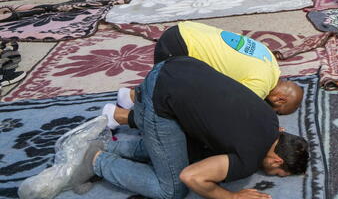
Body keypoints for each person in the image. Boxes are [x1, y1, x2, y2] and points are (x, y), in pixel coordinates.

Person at [34, 56, 310, 199]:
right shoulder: (249, 159)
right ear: (276, 159)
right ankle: (96, 161)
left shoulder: (271, 120)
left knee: (192, 152)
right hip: (159, 97)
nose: (270, 173)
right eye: (277, 172)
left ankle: (108, 144)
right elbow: (193, 177)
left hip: (176, 66)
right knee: (172, 189)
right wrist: (230, 196)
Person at [102, 21, 303, 129]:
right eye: (278, 111)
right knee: (180, 113)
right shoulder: (260, 85)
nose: (272, 112)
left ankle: (129, 97)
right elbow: (232, 110)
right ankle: (118, 115)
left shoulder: (271, 62)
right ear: (280, 98)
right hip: (179, 48)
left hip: (184, 30)